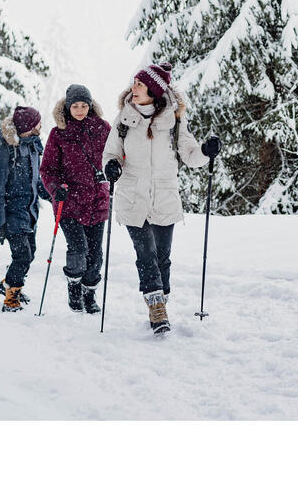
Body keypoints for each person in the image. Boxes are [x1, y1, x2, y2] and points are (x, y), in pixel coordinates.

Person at [102, 62, 221, 334]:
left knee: (162, 258)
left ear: (154, 91)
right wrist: (111, 166)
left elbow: (191, 155)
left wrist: (205, 151)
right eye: (134, 83)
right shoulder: (124, 119)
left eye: (139, 85)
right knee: (146, 253)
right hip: (133, 198)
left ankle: (160, 299)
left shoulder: (174, 122)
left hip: (165, 198)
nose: (133, 88)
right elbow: (110, 153)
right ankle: (156, 306)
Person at [40, 84, 111, 314]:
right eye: (75, 106)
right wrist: (55, 187)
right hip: (69, 203)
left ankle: (89, 292)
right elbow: (47, 169)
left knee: (95, 254)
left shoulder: (103, 128)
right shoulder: (58, 133)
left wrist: (114, 170)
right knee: (78, 248)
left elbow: (117, 156)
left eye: (84, 105)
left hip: (97, 202)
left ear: (90, 106)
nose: (80, 110)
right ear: (67, 106)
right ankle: (73, 284)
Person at [0, 106, 44, 313]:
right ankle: (10, 300)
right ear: (28, 126)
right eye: (37, 122)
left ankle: (8, 284)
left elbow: (36, 180)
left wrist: (51, 193)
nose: (40, 125)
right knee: (22, 256)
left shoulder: (34, 146)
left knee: (31, 253)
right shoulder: (3, 150)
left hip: (30, 213)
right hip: (12, 213)